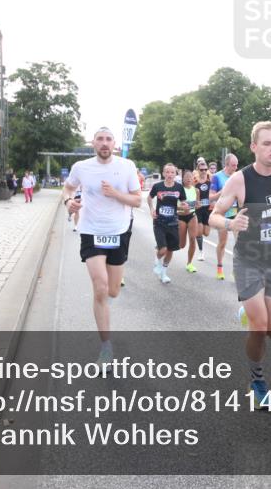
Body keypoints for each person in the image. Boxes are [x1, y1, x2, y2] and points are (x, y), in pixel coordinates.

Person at [210, 121, 271, 407]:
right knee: (260, 326)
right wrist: (230, 223)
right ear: (254, 147)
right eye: (266, 143)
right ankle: (257, 380)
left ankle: (248, 311)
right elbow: (214, 215)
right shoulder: (240, 180)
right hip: (249, 260)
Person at [63, 127, 142, 365]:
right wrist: (69, 201)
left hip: (118, 231)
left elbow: (137, 200)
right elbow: (68, 187)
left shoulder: (127, 166)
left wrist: (116, 194)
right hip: (91, 231)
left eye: (108, 139)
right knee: (100, 287)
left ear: (114, 144)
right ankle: (106, 348)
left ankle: (106, 302)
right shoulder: (81, 167)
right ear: (93, 143)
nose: (104, 143)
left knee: (113, 291)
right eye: (100, 139)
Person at [147, 163, 186, 284]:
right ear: (163, 173)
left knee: (170, 250)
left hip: (173, 223)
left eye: (172, 172)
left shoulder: (179, 187)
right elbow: (149, 198)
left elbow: (183, 203)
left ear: (175, 174)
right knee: (163, 249)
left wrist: (184, 207)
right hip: (159, 222)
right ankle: (157, 259)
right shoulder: (157, 186)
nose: (169, 174)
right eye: (167, 172)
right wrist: (152, 209)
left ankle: (163, 273)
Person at [210, 154, 239, 281]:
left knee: (239, 243)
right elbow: (210, 197)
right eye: (233, 165)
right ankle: (220, 267)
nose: (236, 167)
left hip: (235, 213)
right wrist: (223, 192)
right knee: (223, 242)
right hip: (222, 214)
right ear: (226, 165)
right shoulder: (217, 177)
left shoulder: (237, 176)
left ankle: (235, 271)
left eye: (237, 165)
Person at [179, 169, 200, 273]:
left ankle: (189, 263)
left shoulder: (196, 191)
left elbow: (197, 204)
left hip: (192, 216)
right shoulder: (179, 190)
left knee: (192, 239)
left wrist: (197, 205)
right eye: (186, 177)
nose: (188, 179)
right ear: (182, 179)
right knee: (181, 245)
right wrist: (182, 208)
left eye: (190, 177)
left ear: (193, 178)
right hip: (181, 217)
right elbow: (175, 206)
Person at [194, 159, 211, 262]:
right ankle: (201, 252)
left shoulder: (211, 181)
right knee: (199, 231)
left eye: (205, 169)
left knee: (206, 233)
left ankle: (201, 249)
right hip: (199, 210)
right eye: (201, 170)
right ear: (198, 170)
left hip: (208, 209)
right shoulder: (195, 183)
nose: (204, 171)